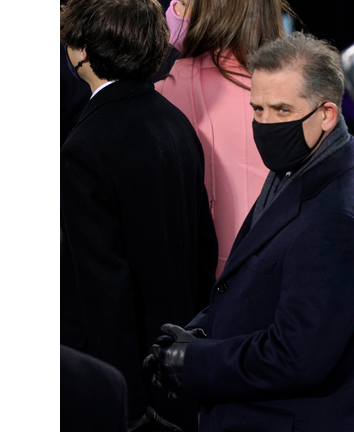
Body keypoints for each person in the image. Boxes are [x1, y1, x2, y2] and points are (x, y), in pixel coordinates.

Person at [144, 32, 354, 432]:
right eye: (257, 109)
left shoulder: (339, 219)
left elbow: (297, 357)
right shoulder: (302, 167)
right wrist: (200, 331)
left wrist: (194, 361)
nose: (265, 124)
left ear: (327, 113)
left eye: (281, 110)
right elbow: (260, 287)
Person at [59, 0, 218, 430]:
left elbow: (103, 289)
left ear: (81, 50)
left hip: (125, 384)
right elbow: (205, 247)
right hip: (179, 364)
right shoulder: (177, 123)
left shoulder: (84, 146)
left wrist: (125, 404)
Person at [156, 0, 290, 277]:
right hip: (285, 275)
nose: (174, 5)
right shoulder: (300, 89)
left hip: (206, 286)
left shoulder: (165, 93)